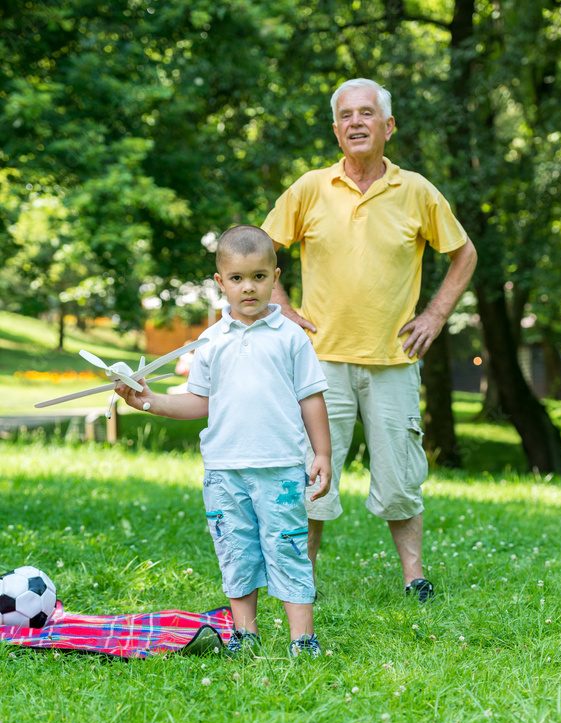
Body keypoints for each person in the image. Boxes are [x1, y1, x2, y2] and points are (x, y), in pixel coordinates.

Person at [262, 78, 477, 602]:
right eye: (346, 115)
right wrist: (282, 307)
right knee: (312, 475)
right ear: (336, 130)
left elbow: (464, 254)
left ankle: (414, 577)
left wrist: (435, 314)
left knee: (401, 475)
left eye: (366, 113)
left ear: (388, 125)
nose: (356, 122)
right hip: (318, 363)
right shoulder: (310, 188)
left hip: (394, 359)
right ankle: (301, 576)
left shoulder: (418, 190)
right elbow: (260, 250)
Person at [115, 225, 331, 659]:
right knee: (236, 551)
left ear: (275, 277)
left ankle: (302, 640)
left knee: (288, 548)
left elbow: (311, 398)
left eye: (258, 277)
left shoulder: (291, 337)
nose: (248, 288)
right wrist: (149, 402)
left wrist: (322, 452)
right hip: (224, 470)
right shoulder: (209, 341)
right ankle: (244, 635)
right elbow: (199, 402)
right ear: (220, 283)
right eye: (236, 278)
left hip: (280, 468)